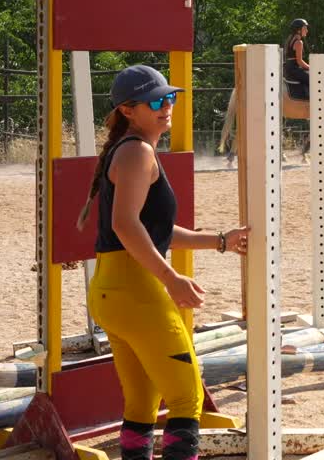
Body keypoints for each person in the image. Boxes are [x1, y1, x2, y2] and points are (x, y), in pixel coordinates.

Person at [78, 65, 250, 460]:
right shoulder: (138, 152)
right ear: (127, 110)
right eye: (155, 101)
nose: (166, 106)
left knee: (140, 405)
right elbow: (125, 226)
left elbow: (154, 229)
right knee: (187, 398)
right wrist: (171, 278)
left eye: (169, 98)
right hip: (137, 294)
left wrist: (220, 241)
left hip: (111, 292)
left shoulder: (133, 151)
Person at [284, 18, 311, 100]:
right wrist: (311, 68)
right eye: (305, 28)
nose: (307, 31)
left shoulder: (290, 39)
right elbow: (300, 62)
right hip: (294, 69)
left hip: (289, 67)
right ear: (298, 30)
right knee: (315, 80)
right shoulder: (299, 42)